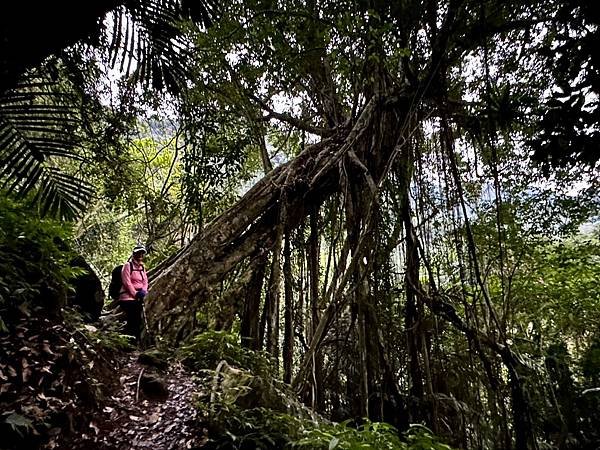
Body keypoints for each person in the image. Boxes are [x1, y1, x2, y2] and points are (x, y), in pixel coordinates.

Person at [119, 244, 148, 342]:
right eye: (138, 253)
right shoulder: (127, 266)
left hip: (138, 297)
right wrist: (135, 293)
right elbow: (126, 282)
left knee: (138, 319)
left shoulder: (142, 267)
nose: (140, 255)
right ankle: (129, 341)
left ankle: (136, 341)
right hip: (127, 298)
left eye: (142, 253)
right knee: (133, 318)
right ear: (134, 254)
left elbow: (145, 281)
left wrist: (143, 291)